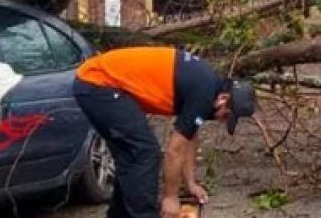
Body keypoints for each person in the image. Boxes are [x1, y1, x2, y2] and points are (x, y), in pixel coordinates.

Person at [72, 47, 256, 218]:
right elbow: (174, 150)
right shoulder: (204, 94)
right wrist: (171, 197)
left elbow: (189, 137)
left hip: (97, 84)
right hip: (98, 83)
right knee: (145, 151)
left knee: (131, 159)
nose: (222, 120)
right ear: (224, 99)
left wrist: (190, 183)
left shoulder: (209, 86)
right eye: (226, 115)